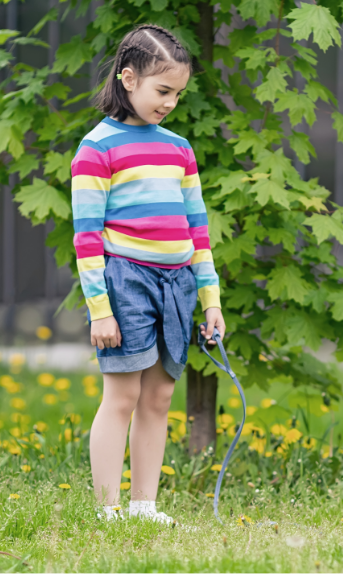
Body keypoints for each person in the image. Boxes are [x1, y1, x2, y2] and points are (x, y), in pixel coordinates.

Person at [70, 24, 226, 523]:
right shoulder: (96, 149)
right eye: (163, 91)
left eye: (178, 94)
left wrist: (211, 300)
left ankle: (144, 506)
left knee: (158, 396)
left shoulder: (179, 148)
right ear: (128, 77)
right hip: (126, 282)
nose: (170, 103)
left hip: (178, 282)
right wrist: (100, 311)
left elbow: (197, 229)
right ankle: (107, 508)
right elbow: (87, 239)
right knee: (123, 395)